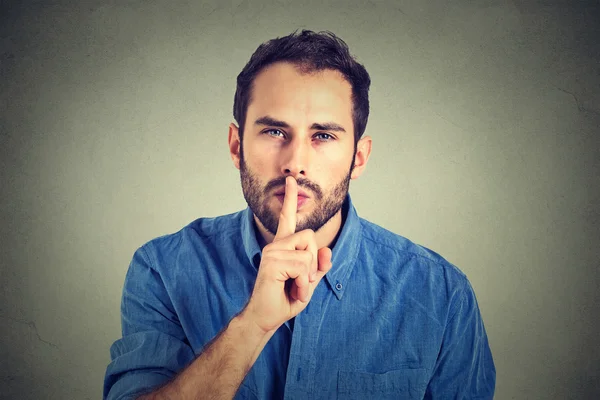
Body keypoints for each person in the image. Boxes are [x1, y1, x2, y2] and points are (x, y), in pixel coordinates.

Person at [103, 30, 496, 400]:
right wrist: (253, 324)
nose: (295, 164)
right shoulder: (162, 270)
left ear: (358, 158)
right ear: (236, 146)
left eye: (323, 136)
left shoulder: (442, 295)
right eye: (275, 132)